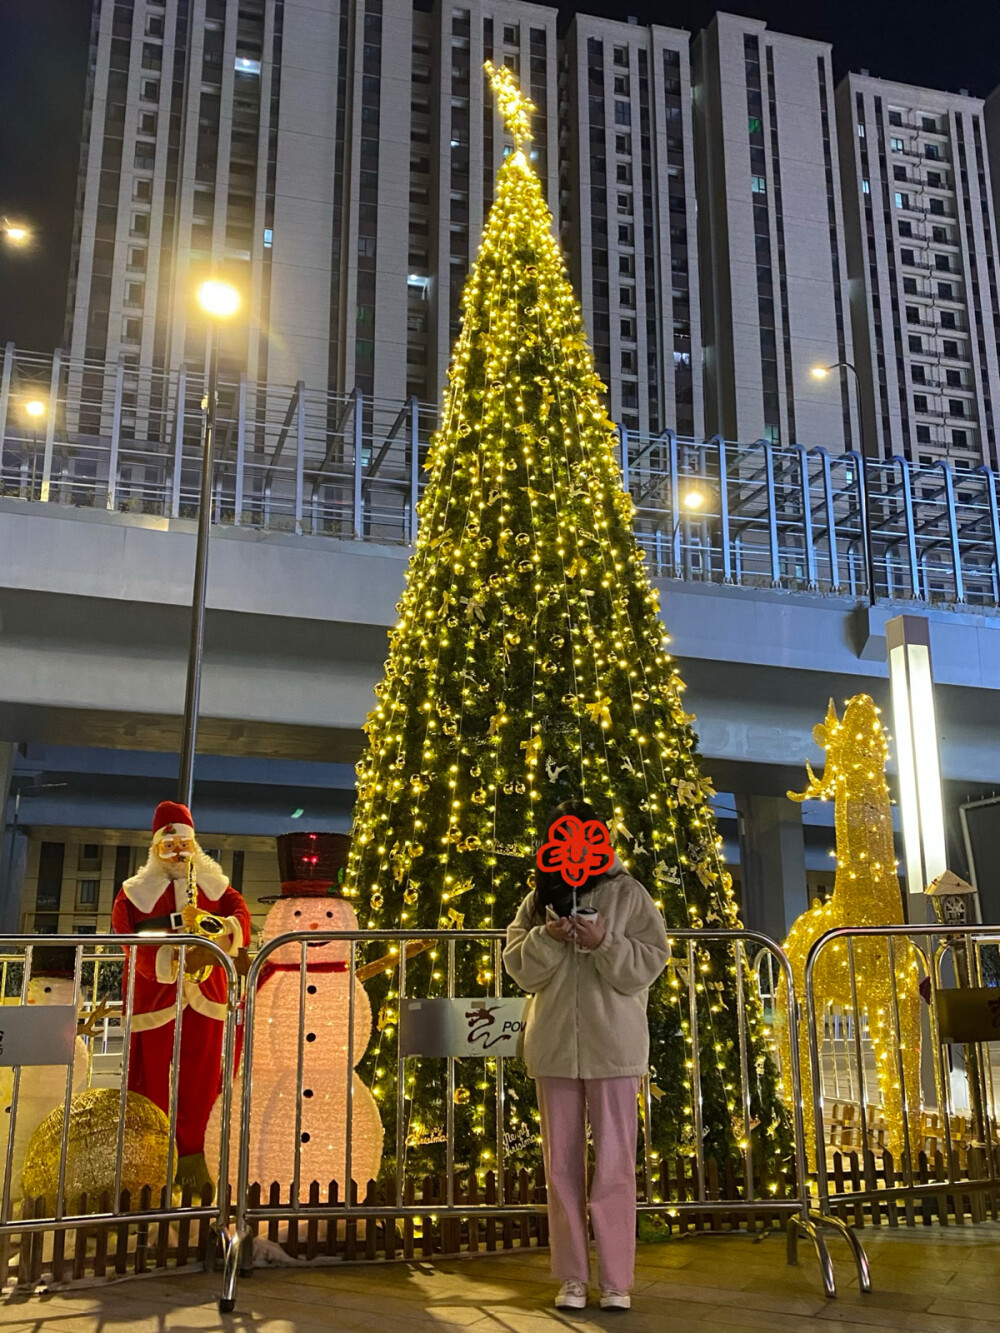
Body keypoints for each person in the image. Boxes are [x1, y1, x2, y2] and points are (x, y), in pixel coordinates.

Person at [503, 799, 670, 1312]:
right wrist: (550, 937)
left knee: (617, 1165)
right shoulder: (537, 900)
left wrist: (603, 941)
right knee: (561, 1168)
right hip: (553, 1048)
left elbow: (648, 963)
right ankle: (573, 1276)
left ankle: (616, 1279)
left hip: (615, 1048)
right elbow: (519, 968)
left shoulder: (628, 893)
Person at [111, 800, 250, 1190]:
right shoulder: (133, 893)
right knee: (149, 1077)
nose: (177, 852)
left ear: (195, 845)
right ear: (155, 848)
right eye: (168, 845)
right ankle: (150, 1162)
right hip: (156, 996)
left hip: (205, 993)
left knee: (203, 1077)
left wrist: (221, 933)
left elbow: (240, 917)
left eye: (184, 844)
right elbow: (127, 939)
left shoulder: (217, 886)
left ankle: (195, 1159)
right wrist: (168, 960)